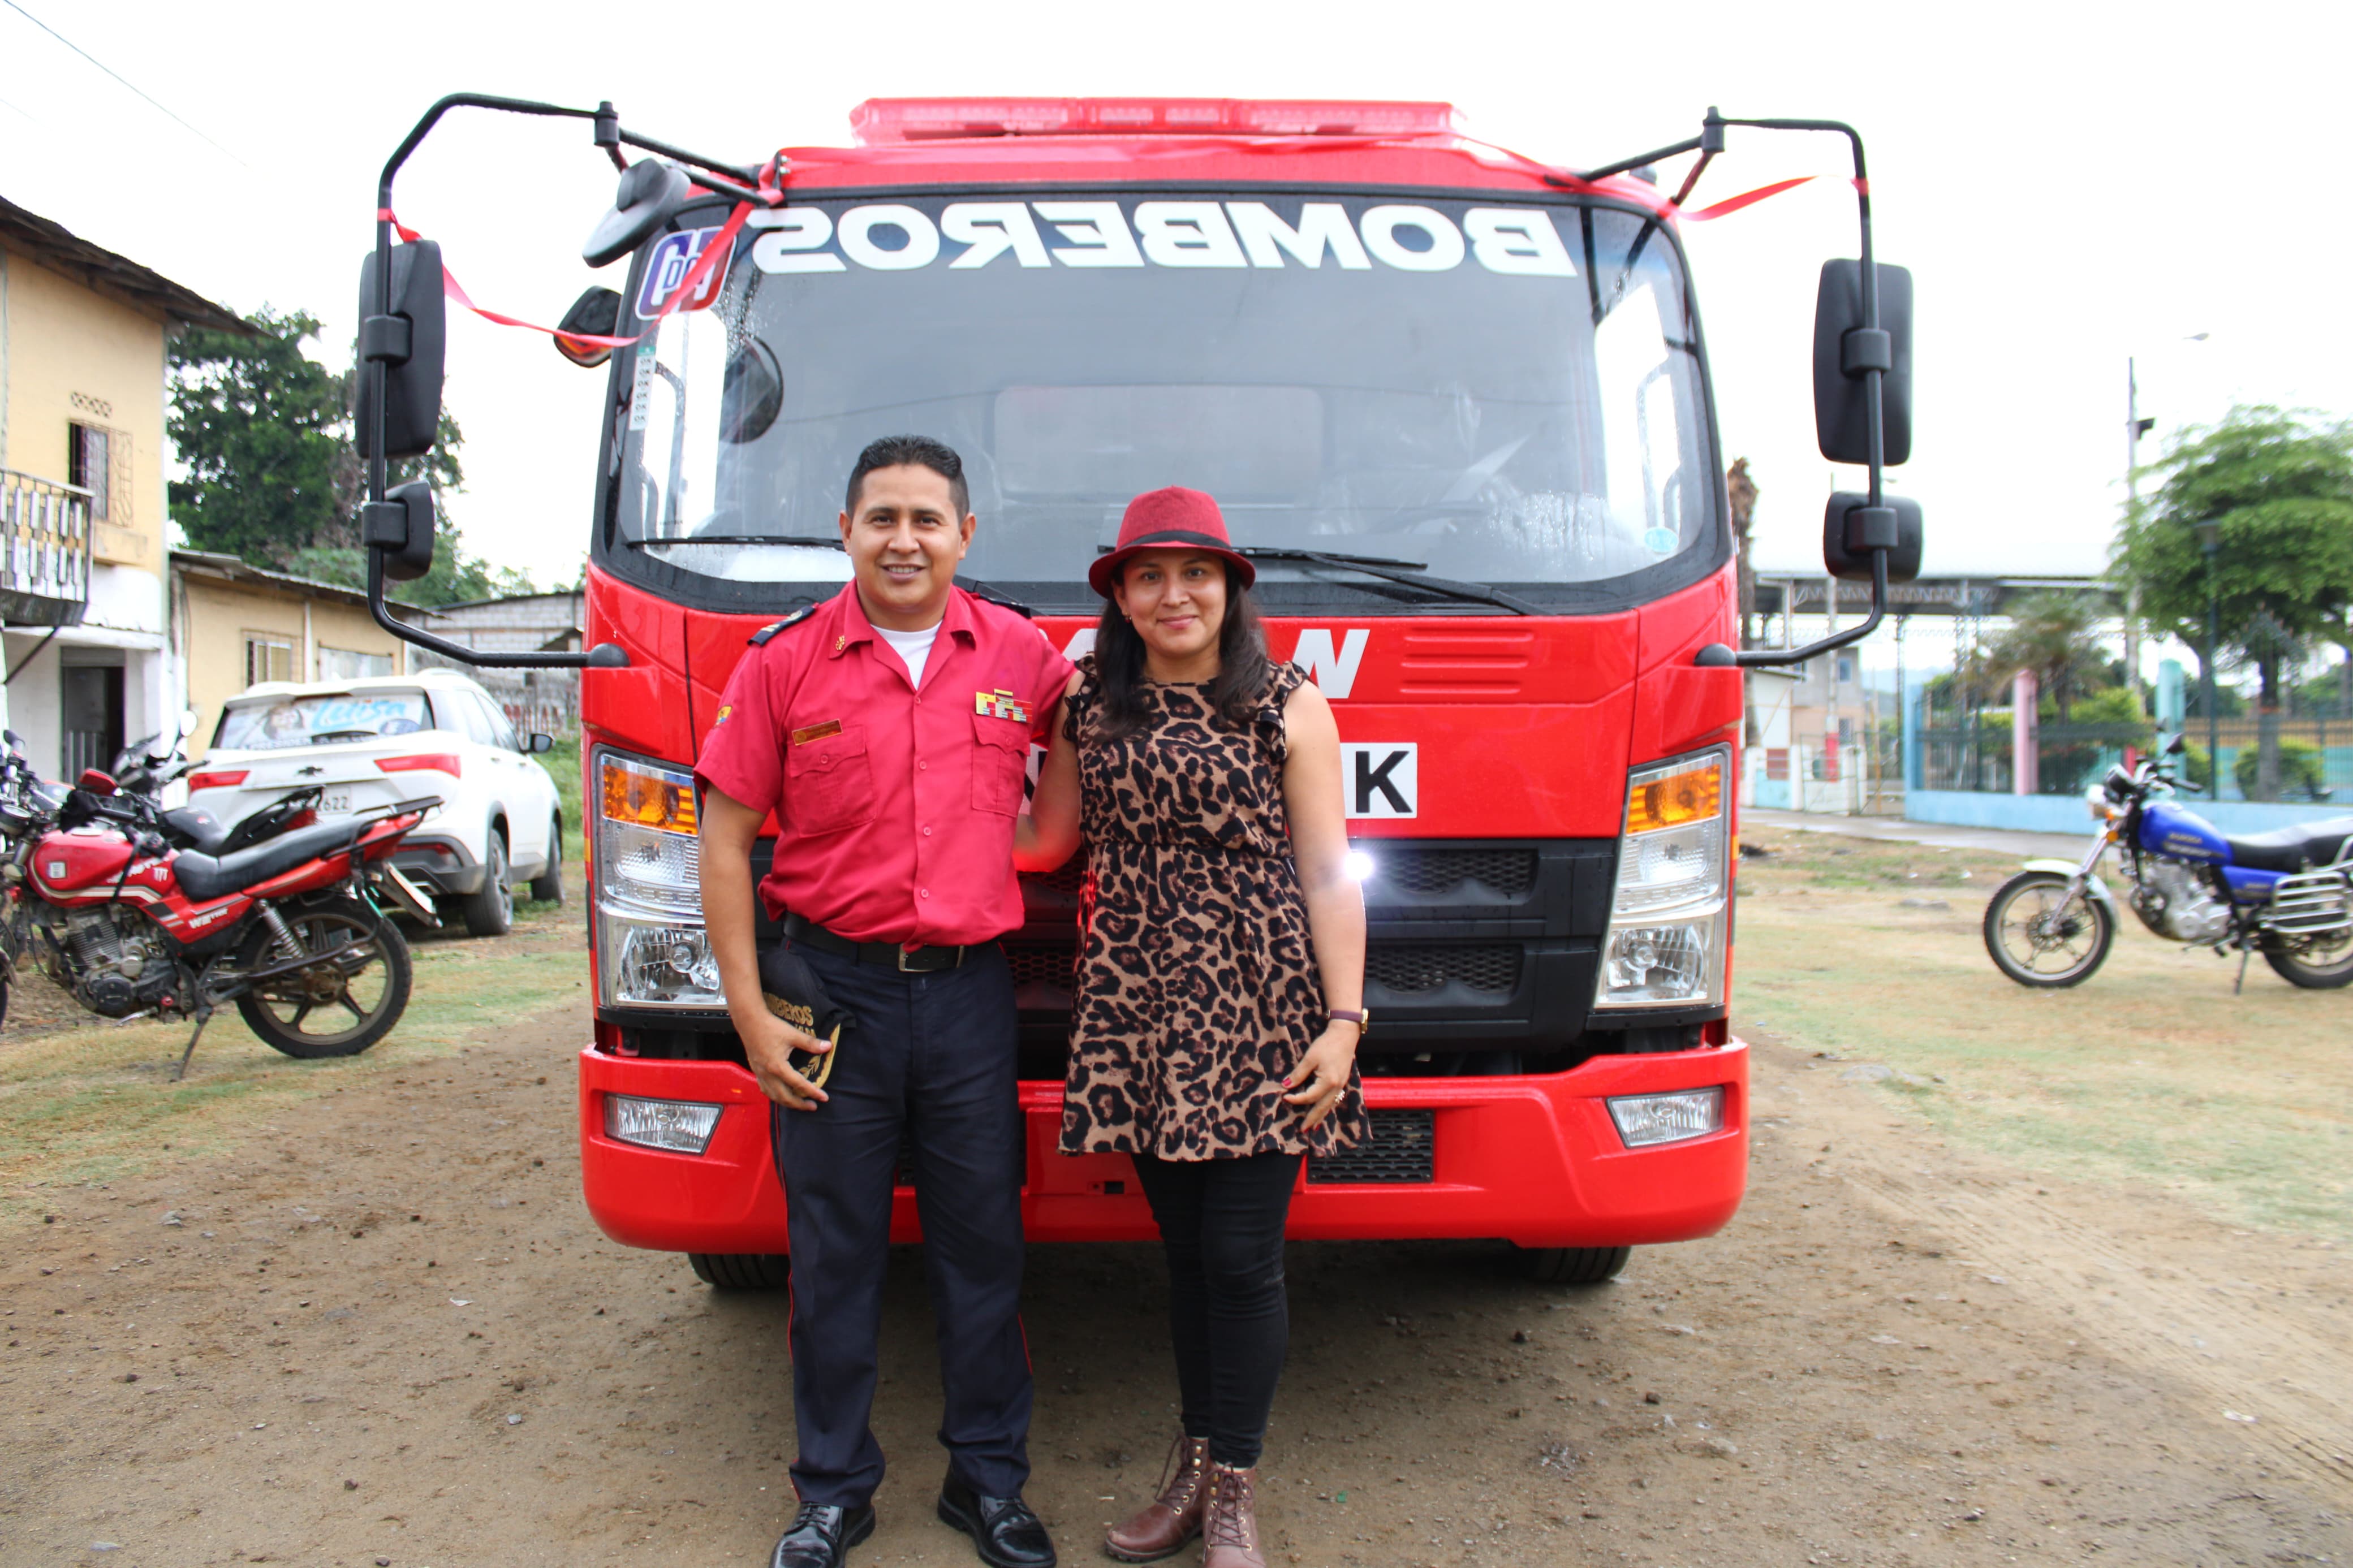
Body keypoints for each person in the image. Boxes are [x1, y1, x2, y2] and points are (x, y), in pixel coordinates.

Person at [696, 435, 1072, 1568]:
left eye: (926, 519)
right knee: (834, 1252)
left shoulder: (1023, 654)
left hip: (968, 998)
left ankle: (988, 1482)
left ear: (965, 533)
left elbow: (1060, 819)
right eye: (882, 519)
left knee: (982, 1247)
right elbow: (723, 842)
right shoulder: (784, 663)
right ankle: (831, 1491)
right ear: (846, 532)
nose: (903, 540)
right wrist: (750, 1013)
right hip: (831, 996)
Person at [1018, 486, 1368, 1568]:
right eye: (1150, 576)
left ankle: (1233, 1493)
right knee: (1184, 1256)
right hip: (1136, 1007)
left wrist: (1345, 1021)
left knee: (1240, 1256)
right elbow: (1045, 840)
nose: (1175, 595)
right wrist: (909, 824)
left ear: (1230, 589)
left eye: (1197, 573)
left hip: (1265, 1006)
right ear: (1122, 597)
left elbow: (1330, 872)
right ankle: (1196, 1466)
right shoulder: (1088, 701)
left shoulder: (1289, 702)